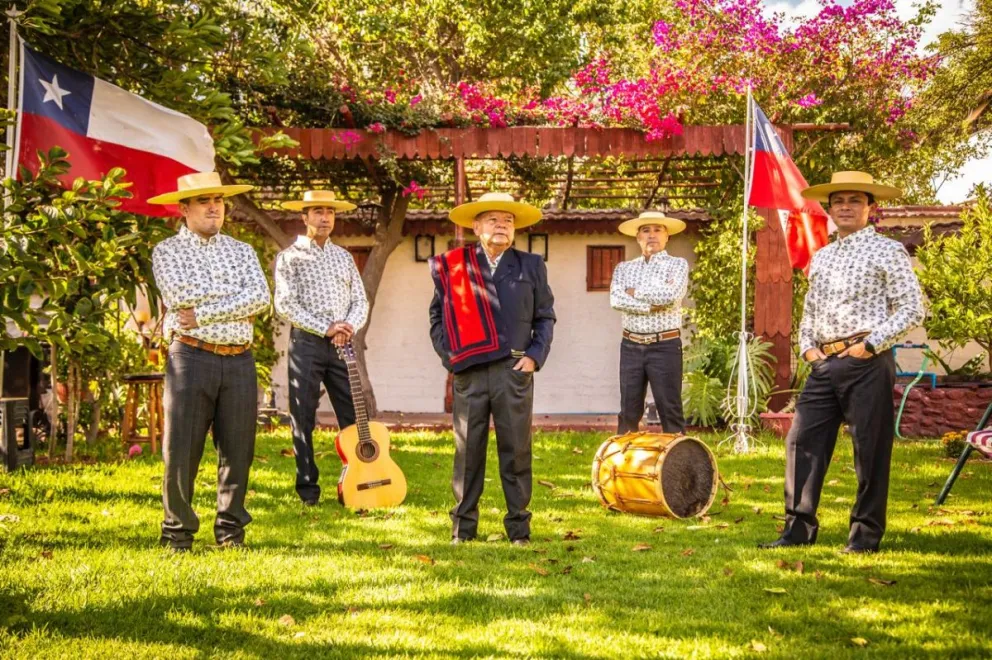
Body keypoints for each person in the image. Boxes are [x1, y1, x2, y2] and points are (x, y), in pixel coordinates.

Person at [759, 171, 924, 554]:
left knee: (869, 449)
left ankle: (865, 536)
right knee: (802, 443)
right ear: (830, 209)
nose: (845, 207)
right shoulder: (823, 256)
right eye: (838, 201)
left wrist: (870, 344)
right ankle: (798, 529)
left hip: (866, 361)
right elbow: (810, 311)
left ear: (870, 208)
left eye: (854, 200)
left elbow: (912, 308)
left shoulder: (888, 251)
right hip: (823, 364)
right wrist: (806, 350)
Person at [149, 171, 271, 552]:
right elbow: (180, 295)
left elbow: (260, 299)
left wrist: (203, 313)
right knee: (182, 450)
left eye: (218, 200)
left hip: (239, 360)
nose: (215, 206)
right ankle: (178, 534)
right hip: (190, 356)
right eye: (204, 200)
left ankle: (231, 532)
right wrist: (232, 306)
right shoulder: (167, 252)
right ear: (184, 208)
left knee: (238, 450)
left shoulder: (243, 251)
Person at [429, 192, 556, 546]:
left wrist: (534, 356)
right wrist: (450, 359)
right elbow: (437, 318)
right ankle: (463, 530)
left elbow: (545, 316)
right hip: (469, 370)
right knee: (467, 451)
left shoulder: (531, 265)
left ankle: (519, 530)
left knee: (516, 451)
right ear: (476, 226)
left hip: (513, 370)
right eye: (493, 220)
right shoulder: (456, 265)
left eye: (508, 221)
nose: (502, 226)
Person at [273, 190, 369, 506]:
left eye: (329, 211)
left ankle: (359, 479)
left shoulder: (343, 257)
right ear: (305, 217)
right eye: (317, 211)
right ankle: (308, 489)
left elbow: (360, 300)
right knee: (303, 416)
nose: (325, 217)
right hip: (308, 344)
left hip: (343, 344)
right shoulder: (289, 258)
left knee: (354, 416)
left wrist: (348, 326)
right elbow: (285, 303)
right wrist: (325, 327)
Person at [610, 211, 689, 435]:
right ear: (638, 237)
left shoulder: (677, 265)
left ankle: (679, 465)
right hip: (631, 345)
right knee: (628, 410)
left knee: (670, 409)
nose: (651, 235)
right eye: (646, 230)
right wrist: (649, 305)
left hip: (664, 345)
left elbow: (670, 296)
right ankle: (626, 465)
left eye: (657, 230)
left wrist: (634, 293)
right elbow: (616, 299)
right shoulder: (624, 268)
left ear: (667, 237)